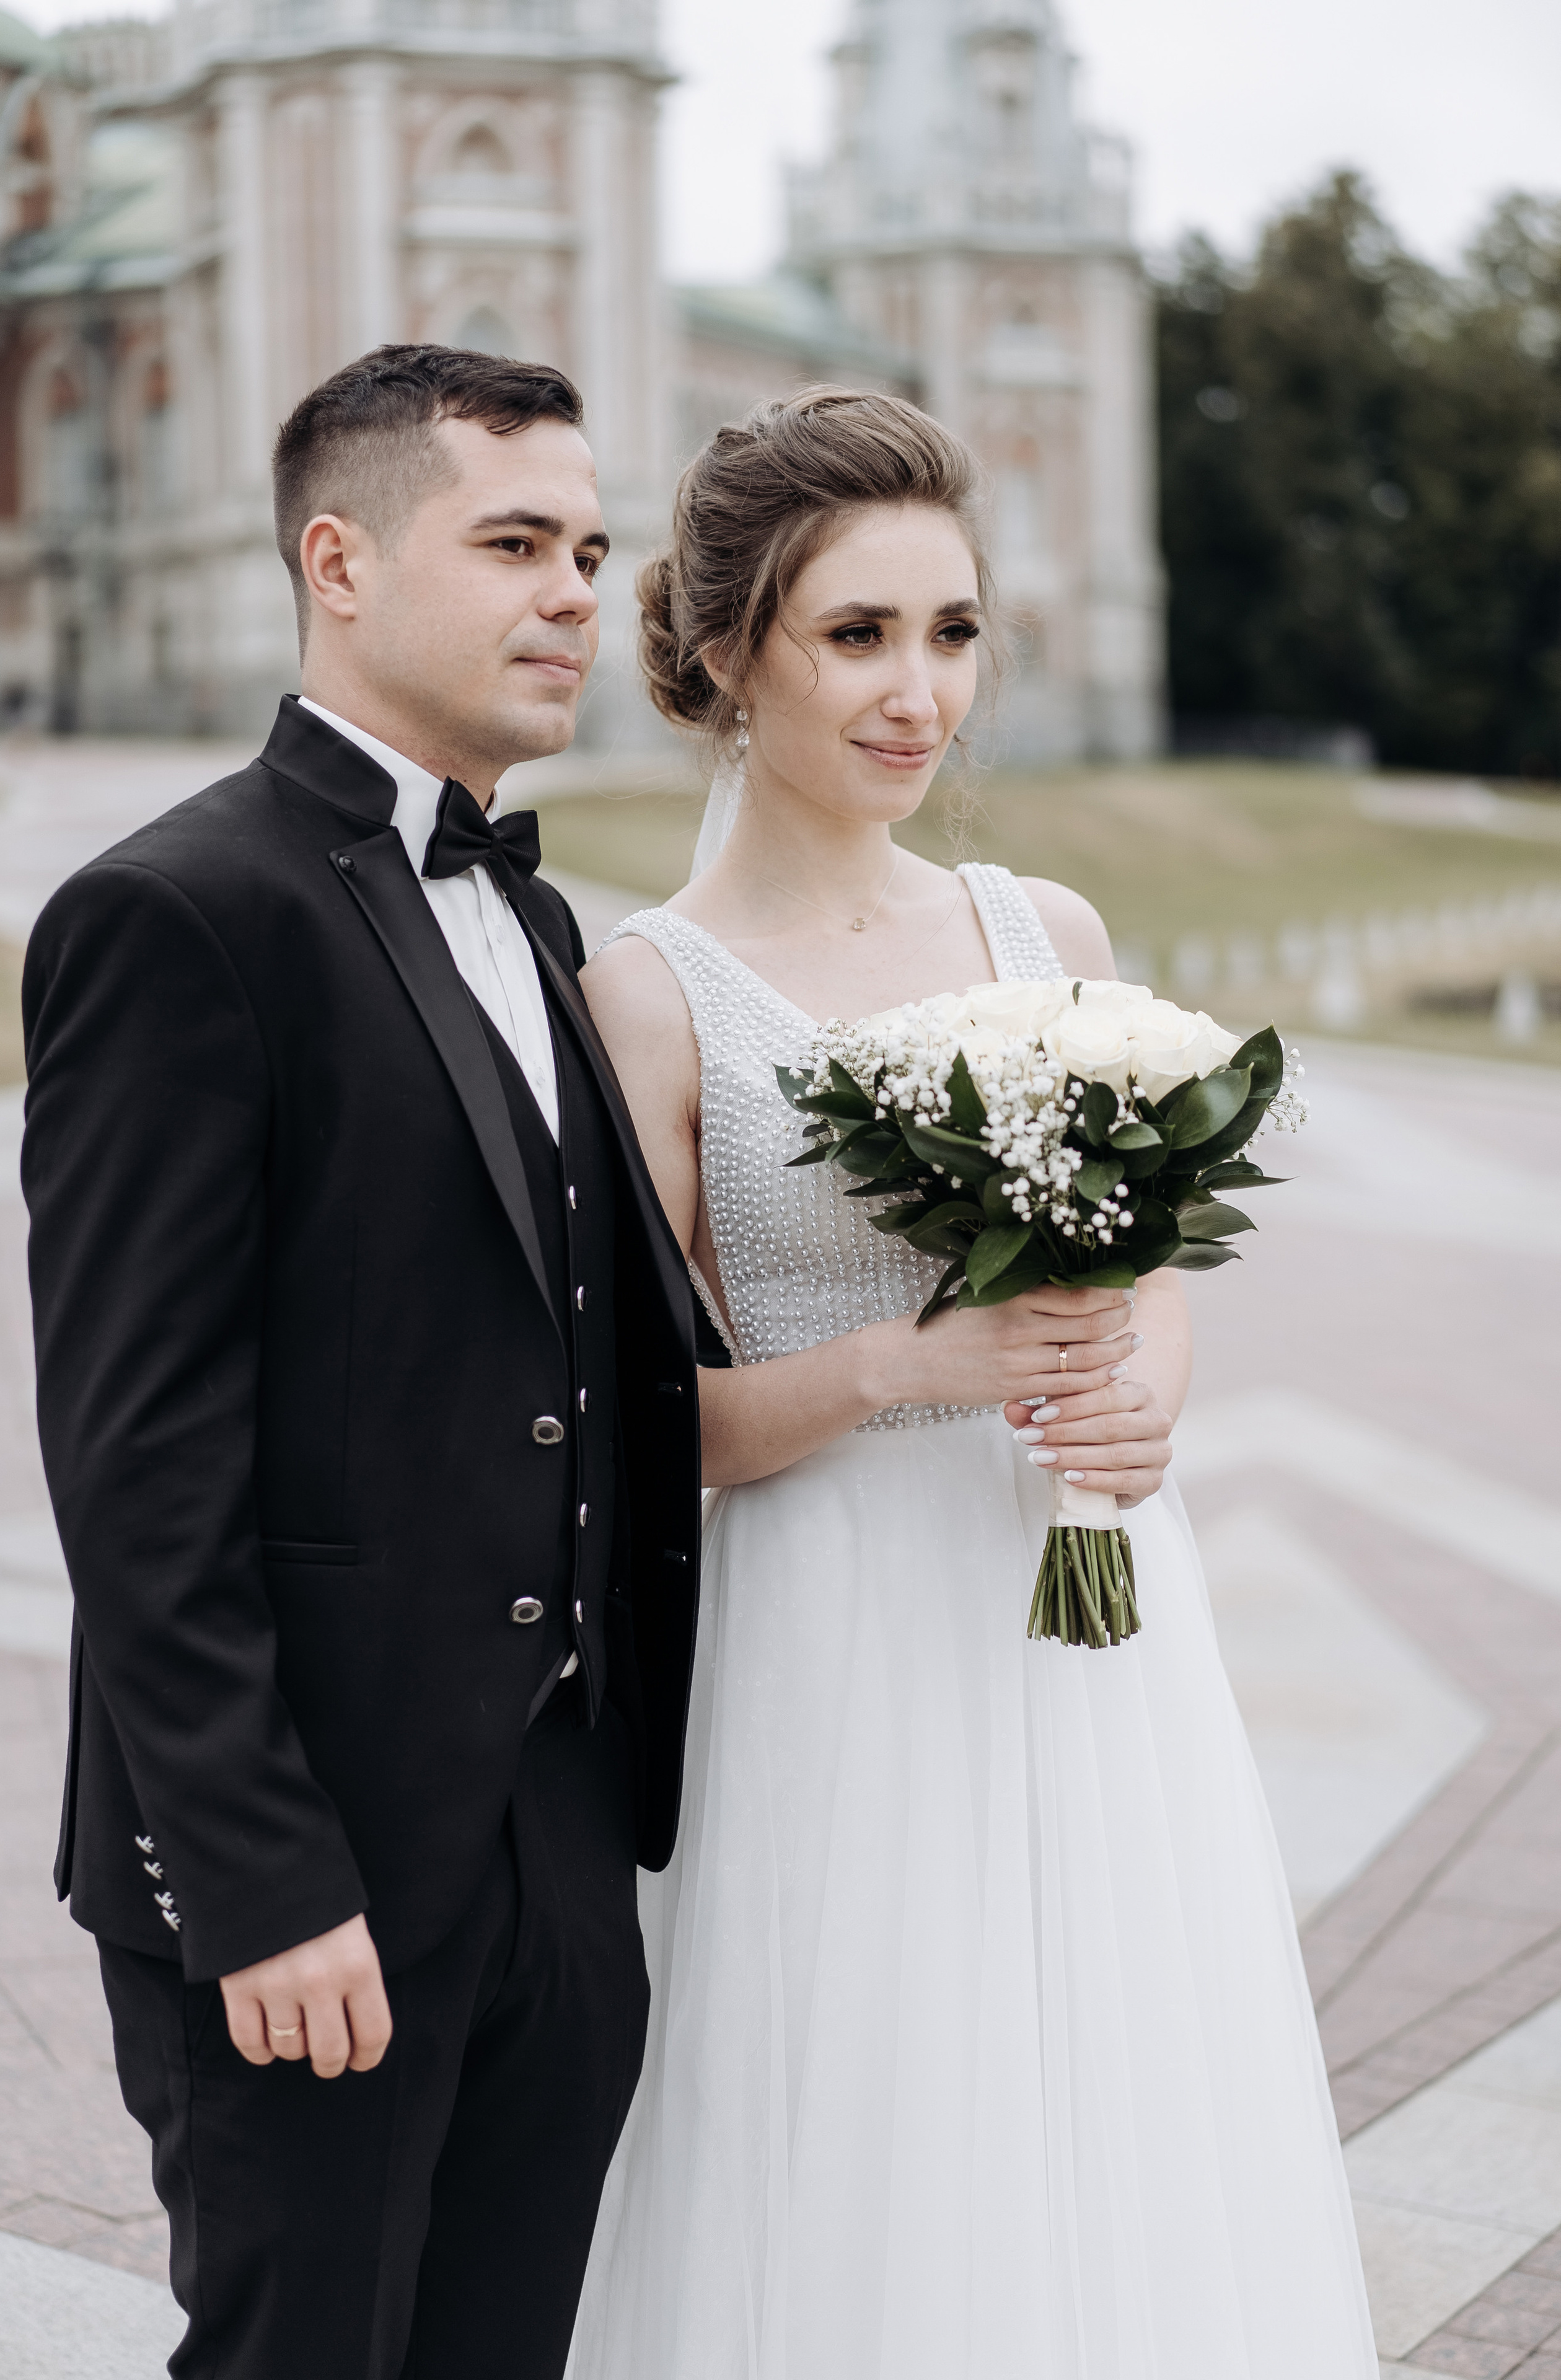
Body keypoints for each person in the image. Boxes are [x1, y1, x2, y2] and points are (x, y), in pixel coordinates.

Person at [568, 387, 1379, 2379]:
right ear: (727, 648)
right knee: (864, 2100)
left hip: (1084, 1615)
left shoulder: (1051, 935)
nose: (920, 692)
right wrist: (897, 1364)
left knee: (1114, 2078)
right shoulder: (650, 995)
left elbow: (1145, 1271)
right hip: (822, 1640)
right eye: (858, 635)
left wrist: (1144, 1388)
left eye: (951, 632)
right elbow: (658, 1433)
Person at [20, 345, 700, 2380]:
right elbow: (137, 1463)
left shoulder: (553, 927)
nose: (580, 590)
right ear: (337, 558)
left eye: (589, 546)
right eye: (514, 543)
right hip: (303, 1868)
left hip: (554, 1852)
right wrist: (257, 1880)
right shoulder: (175, 912)